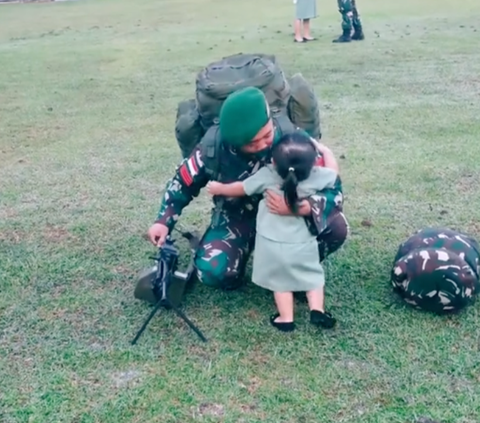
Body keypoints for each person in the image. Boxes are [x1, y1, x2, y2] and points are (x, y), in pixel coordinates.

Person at [147, 86, 348, 292]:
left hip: (289, 219)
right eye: (251, 143)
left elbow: (334, 190)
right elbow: (181, 184)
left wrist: (302, 208)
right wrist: (163, 222)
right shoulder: (212, 148)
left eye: (267, 135)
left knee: (335, 228)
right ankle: (245, 261)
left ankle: (296, 271)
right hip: (239, 217)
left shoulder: (294, 141)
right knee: (213, 272)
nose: (262, 145)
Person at [206, 132, 338, 332]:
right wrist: (325, 150)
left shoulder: (268, 174)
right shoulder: (317, 176)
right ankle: (317, 310)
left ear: (274, 161)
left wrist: (219, 188)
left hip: (272, 245)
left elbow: (241, 188)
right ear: (312, 163)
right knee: (312, 277)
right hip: (302, 243)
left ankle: (286, 319)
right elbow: (334, 173)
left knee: (280, 283)